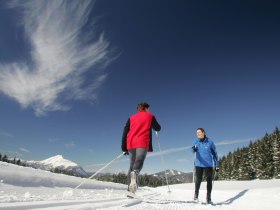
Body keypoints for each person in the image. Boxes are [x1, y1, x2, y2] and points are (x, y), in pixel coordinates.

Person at [121, 102, 161, 195]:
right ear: (146, 108)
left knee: (131, 165)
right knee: (139, 161)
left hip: (130, 143)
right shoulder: (150, 116)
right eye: (148, 109)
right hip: (142, 142)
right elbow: (158, 128)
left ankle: (130, 190)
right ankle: (135, 173)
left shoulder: (131, 118)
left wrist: (123, 147)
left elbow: (125, 132)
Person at [191, 128, 219, 204]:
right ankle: (196, 195)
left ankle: (208, 197)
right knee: (198, 180)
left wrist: (217, 165)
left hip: (208, 164)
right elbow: (192, 149)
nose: (198, 134)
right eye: (197, 133)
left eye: (199, 132)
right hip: (198, 164)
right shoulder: (196, 141)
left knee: (209, 180)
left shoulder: (210, 142)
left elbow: (215, 154)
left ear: (203, 133)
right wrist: (194, 149)